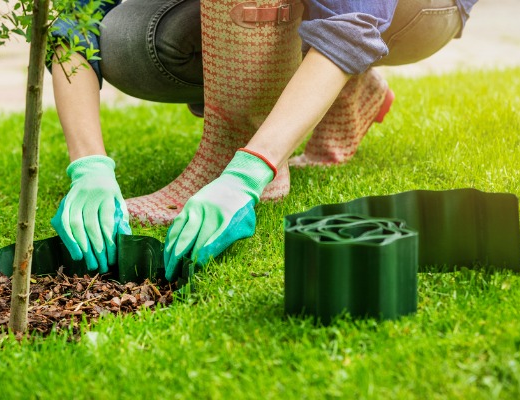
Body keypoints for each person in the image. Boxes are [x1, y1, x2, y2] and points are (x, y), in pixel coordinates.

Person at [49, 0, 478, 279]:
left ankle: (239, 146)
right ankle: (341, 85)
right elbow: (74, 18)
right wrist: (89, 166)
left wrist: (247, 173)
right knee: (125, 40)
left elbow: (353, 19)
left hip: (416, 11)